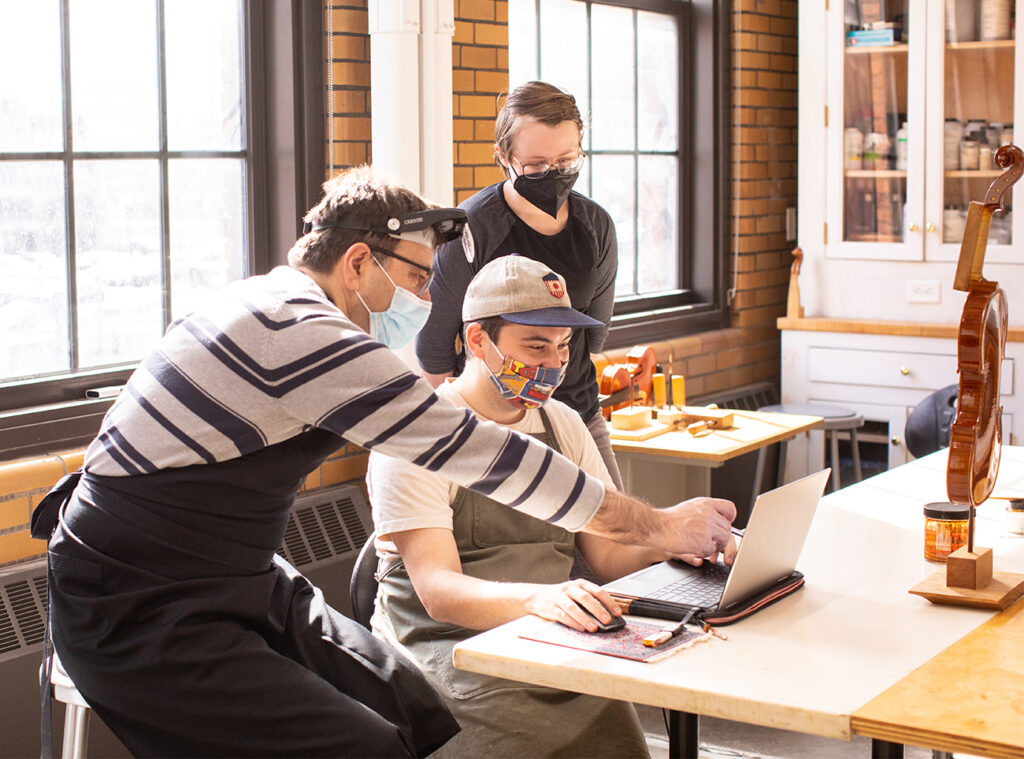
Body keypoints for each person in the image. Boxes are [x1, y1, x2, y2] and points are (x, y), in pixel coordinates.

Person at [33, 165, 735, 758]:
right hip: (136, 601)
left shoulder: (273, 306)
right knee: (362, 744)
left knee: (413, 708)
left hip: (235, 578)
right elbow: (479, 451)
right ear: (359, 262)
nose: (426, 299)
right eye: (418, 277)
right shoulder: (298, 329)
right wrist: (658, 525)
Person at [369, 255, 712, 757]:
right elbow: (439, 593)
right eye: (534, 345)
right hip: (449, 651)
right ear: (477, 340)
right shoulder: (419, 437)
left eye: (563, 347)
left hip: (553, 641)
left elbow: (607, 557)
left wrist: (673, 548)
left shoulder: (562, 424)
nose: (552, 364)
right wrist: (540, 600)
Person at [416, 81, 625, 489]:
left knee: (620, 537)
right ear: (504, 157)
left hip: (578, 414)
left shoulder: (596, 226)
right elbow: (435, 350)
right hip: (490, 426)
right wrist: (469, 433)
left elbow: (592, 339)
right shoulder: (469, 231)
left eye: (567, 161)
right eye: (536, 166)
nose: (553, 175)